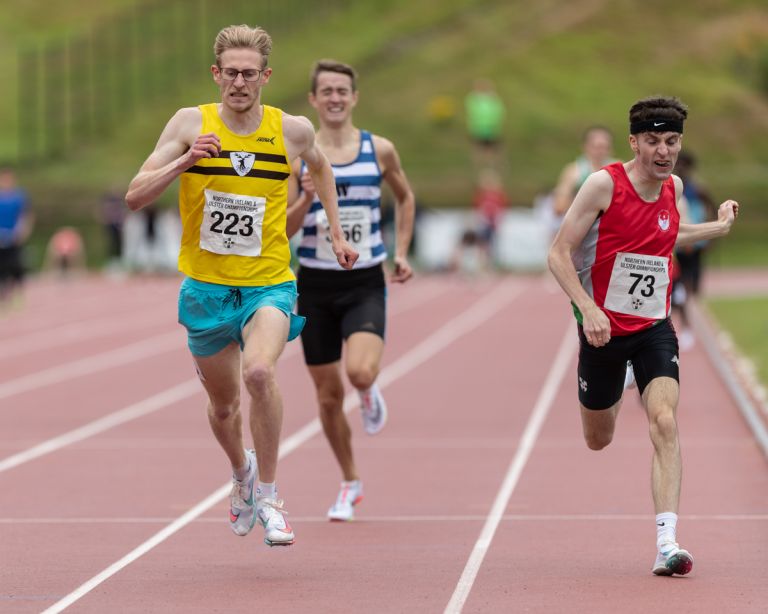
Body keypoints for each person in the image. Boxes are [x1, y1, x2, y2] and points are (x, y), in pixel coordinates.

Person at [125, 25, 358, 547]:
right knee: (225, 407)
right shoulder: (190, 123)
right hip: (206, 289)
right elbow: (135, 196)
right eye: (230, 72)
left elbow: (321, 170)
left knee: (258, 371)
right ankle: (241, 473)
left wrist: (337, 232)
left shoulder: (292, 130)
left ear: (265, 77)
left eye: (249, 74)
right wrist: (186, 161)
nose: (238, 82)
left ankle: (270, 497)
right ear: (216, 74)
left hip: (268, 283)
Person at [548, 95, 739, 576]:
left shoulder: (674, 187)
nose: (663, 151)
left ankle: (667, 543)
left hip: (654, 327)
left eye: (671, 141)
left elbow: (668, 233)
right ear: (633, 142)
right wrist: (589, 309)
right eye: (653, 140)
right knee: (599, 438)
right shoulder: (602, 185)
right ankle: (615, 384)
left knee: (665, 422)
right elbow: (558, 253)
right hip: (602, 331)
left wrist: (717, 228)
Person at [285, 59, 415, 522]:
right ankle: (350, 481)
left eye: (342, 90)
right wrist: (306, 196)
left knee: (359, 372)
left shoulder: (379, 150)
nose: (335, 98)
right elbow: (284, 228)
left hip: (363, 280)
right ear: (313, 100)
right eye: (327, 91)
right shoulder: (299, 155)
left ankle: (369, 389)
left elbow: (405, 196)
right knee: (327, 396)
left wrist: (401, 251)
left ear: (354, 97)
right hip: (315, 282)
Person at [552, 125, 615, 219]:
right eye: (596, 147)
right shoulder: (573, 171)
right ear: (585, 147)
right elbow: (559, 207)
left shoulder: (619, 168)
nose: (600, 151)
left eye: (604, 147)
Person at [0, 167, 33, 311]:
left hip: (14, 237)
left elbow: (25, 215)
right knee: (1, 267)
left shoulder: (19, 196)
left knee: (16, 265)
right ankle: (3, 295)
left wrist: (22, 232)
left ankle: (18, 293)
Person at [464, 78, 506, 171]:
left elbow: (499, 111)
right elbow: (471, 111)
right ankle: (478, 170)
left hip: (492, 127)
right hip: (478, 128)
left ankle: (493, 169)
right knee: (478, 149)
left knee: (492, 149)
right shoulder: (473, 99)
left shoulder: (493, 99)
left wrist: (496, 124)